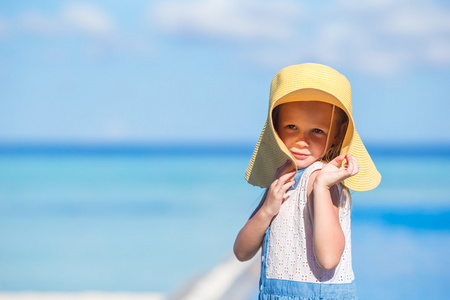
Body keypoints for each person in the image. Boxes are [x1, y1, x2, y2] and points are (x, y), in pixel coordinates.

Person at [234, 63, 381, 299]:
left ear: (335, 134)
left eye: (317, 131)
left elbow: (329, 257)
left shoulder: (320, 179)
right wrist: (266, 211)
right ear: (276, 129)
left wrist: (322, 188)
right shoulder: (282, 177)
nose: (302, 141)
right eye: (292, 127)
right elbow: (242, 251)